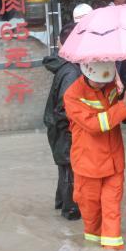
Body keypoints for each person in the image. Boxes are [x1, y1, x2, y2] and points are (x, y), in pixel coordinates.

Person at [64, 61, 126, 250]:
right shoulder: (72, 95)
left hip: (114, 162)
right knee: (91, 217)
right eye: (96, 81)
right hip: (88, 165)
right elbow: (95, 125)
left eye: (103, 81)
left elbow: (121, 115)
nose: (100, 84)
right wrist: (124, 105)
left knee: (112, 210)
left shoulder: (112, 84)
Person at [43, 22, 82, 220]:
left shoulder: (67, 67)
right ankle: (71, 213)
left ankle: (61, 207)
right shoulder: (72, 72)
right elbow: (67, 108)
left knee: (65, 171)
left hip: (58, 129)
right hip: (65, 131)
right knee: (69, 171)